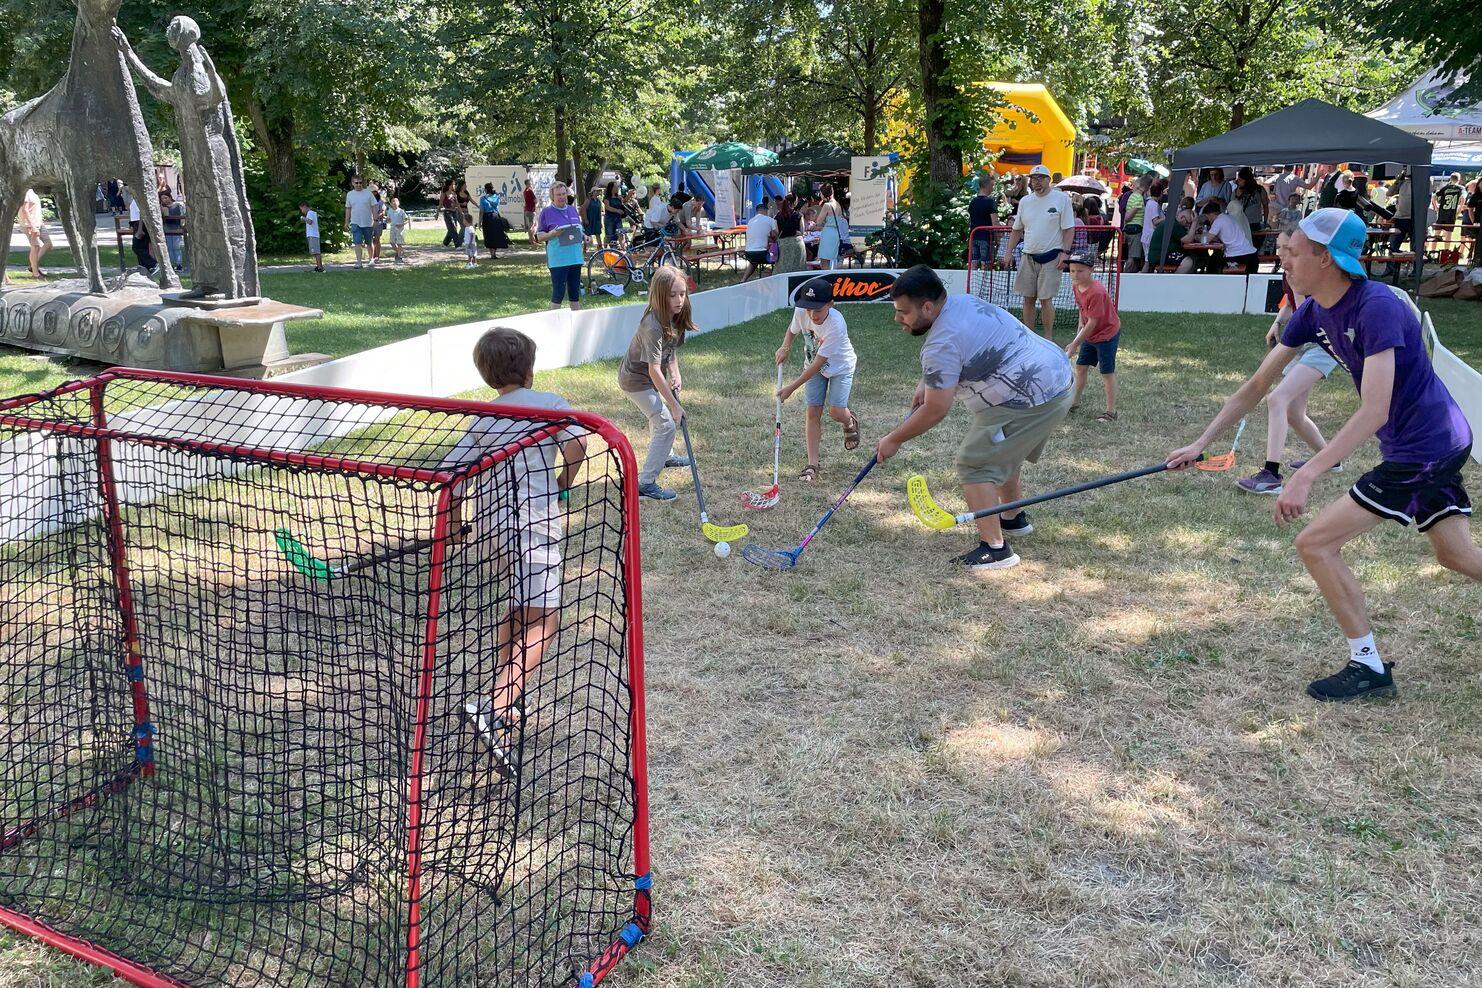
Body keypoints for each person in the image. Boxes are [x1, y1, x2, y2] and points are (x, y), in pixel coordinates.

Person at [1168, 208, 1479, 701]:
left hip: (1425, 447)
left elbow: (1375, 409)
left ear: (1326, 258)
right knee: (1455, 554)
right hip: (1428, 443)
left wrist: (1307, 473)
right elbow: (1257, 385)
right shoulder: (1313, 311)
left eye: (1294, 252)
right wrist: (1201, 444)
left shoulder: (1376, 307)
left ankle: (1368, 667)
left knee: (1315, 544)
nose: (1284, 260)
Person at [449, 326, 587, 779]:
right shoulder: (549, 404)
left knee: (516, 608)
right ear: (529, 369)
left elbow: (452, 478)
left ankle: (505, 709)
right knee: (545, 619)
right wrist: (564, 480)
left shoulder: (481, 417)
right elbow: (578, 442)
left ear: (488, 376)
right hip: (533, 528)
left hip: (492, 531)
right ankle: (496, 704)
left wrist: (452, 526)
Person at [876, 265, 1074, 570]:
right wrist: (928, 380)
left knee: (976, 463)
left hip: (1032, 396)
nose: (897, 318)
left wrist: (894, 439)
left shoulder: (941, 343)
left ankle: (996, 549)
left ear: (927, 307)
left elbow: (936, 409)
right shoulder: (962, 302)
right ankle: (1012, 518)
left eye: (903, 312)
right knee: (1004, 449)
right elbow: (962, 349)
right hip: (1057, 374)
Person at [1235, 228, 1342, 494]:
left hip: (1320, 344)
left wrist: (1288, 347)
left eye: (1288, 249)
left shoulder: (1303, 275)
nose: (1282, 253)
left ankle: (1271, 475)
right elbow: (1291, 304)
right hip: (1304, 343)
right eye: (1281, 248)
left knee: (1277, 399)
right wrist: (1276, 323)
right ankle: (1330, 459)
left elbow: (1306, 311)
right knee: (1294, 413)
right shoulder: (1290, 274)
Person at [617, 265, 694, 501]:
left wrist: (675, 373)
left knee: (660, 420)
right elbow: (653, 369)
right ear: (660, 296)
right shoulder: (652, 325)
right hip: (635, 379)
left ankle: (666, 456)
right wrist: (674, 406)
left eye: (682, 294)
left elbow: (670, 351)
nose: (679, 300)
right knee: (666, 424)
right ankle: (645, 484)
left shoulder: (677, 314)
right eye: (672, 295)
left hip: (650, 376)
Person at [774, 278, 859, 481]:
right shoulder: (802, 311)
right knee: (812, 412)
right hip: (813, 366)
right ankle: (812, 464)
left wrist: (791, 388)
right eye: (809, 310)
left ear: (830, 304)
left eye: (818, 310)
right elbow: (792, 329)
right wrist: (785, 347)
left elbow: (817, 365)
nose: (812, 315)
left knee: (836, 412)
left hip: (840, 367)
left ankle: (849, 421)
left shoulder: (836, 325)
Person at [1004, 164, 1075, 341]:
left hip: (1052, 256)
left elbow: (1069, 229)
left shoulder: (1061, 199)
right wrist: (1008, 252)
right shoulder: (1025, 201)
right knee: (1028, 298)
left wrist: (1065, 253)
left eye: (1041, 178)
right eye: (1033, 178)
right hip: (1028, 255)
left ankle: (1048, 338)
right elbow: (1017, 229)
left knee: (1045, 299)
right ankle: (1030, 338)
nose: (1037, 182)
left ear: (1048, 180)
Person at [1064, 253, 1121, 422]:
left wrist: (1074, 344)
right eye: (1072, 271)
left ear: (1091, 270)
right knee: (1081, 367)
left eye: (1080, 271)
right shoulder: (1076, 285)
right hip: (1091, 335)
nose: (1075, 275)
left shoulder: (1096, 292)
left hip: (1106, 335)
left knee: (1107, 372)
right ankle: (1074, 402)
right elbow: (1082, 310)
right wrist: (1080, 325)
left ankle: (1110, 412)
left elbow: (1092, 323)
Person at [534, 181, 586, 310]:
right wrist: (552, 234)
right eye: (558, 195)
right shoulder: (546, 212)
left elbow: (579, 231)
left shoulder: (572, 210)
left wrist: (585, 237)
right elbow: (539, 237)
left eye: (564, 194)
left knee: (575, 294)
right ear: (552, 196)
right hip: (559, 260)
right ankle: (552, 320)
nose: (562, 197)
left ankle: (576, 320)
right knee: (558, 294)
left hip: (575, 258)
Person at [1198, 200, 1258, 274]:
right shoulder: (1229, 218)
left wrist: (1196, 236)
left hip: (1237, 256)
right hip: (1251, 255)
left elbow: (1205, 240)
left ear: (1211, 214)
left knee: (1213, 262)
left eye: (1207, 217)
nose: (1208, 220)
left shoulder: (1218, 221)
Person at [811, 183, 847, 270]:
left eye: (820, 192)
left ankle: (827, 277)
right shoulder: (837, 204)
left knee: (824, 262)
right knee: (832, 260)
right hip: (835, 233)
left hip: (828, 234)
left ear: (824, 193)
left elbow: (818, 222)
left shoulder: (827, 205)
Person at [18, 188, 52, 279]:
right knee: (36, 247)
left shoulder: (34, 191)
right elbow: (24, 209)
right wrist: (32, 226)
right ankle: (35, 273)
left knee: (48, 244)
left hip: (39, 223)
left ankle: (33, 265)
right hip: (29, 224)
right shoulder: (25, 192)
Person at [344, 175, 376, 269]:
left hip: (367, 222)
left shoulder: (368, 193)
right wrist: (346, 221)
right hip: (355, 222)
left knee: (369, 242)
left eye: (360, 183)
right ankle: (359, 262)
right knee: (357, 242)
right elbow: (348, 208)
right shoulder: (350, 194)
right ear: (352, 183)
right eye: (356, 183)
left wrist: (375, 219)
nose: (359, 184)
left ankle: (371, 259)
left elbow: (374, 206)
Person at [968, 175, 999, 272]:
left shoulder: (973, 202)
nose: (993, 188)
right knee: (985, 264)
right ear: (988, 186)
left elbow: (970, 220)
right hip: (986, 238)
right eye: (992, 186)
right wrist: (998, 237)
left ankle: (973, 281)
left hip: (973, 236)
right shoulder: (990, 202)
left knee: (973, 263)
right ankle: (984, 281)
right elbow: (995, 222)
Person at [741, 199, 776, 282]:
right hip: (762, 254)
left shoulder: (750, 221)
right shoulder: (771, 220)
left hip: (748, 253)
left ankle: (743, 280)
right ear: (766, 211)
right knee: (778, 257)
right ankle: (774, 278)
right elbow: (776, 235)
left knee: (754, 262)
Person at [1120, 175, 1149, 272]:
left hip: (1128, 229)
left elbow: (1126, 215)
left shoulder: (1131, 196)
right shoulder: (1139, 198)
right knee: (1132, 256)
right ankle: (1126, 274)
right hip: (1136, 230)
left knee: (1131, 255)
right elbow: (1128, 216)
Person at [774, 194, 806, 274]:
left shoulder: (778, 216)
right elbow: (802, 232)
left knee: (783, 268)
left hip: (783, 244)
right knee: (798, 268)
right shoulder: (799, 215)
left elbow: (776, 232)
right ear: (794, 202)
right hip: (797, 243)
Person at [479, 183, 508, 259]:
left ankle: (491, 253)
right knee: (495, 235)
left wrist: (479, 222)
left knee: (488, 235)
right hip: (495, 216)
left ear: (485, 189)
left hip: (487, 217)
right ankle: (494, 253)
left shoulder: (483, 198)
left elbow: (481, 211)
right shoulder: (497, 197)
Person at [160, 189, 186, 272]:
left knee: (176, 247)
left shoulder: (177, 205)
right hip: (167, 229)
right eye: (162, 199)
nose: (164, 200)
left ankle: (179, 264)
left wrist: (182, 226)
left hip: (176, 228)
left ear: (170, 197)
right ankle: (171, 264)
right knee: (169, 248)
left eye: (165, 198)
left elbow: (182, 216)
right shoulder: (162, 208)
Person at [1434, 172, 1465, 239]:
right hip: (1451, 214)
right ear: (1459, 179)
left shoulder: (1445, 188)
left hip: (1442, 213)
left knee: (1437, 234)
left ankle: (1434, 245)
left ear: (1450, 179)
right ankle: (1446, 246)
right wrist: (1460, 209)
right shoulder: (1461, 188)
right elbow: (1463, 198)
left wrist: (1436, 207)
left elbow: (1434, 196)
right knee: (1448, 234)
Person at [298, 201, 323, 272]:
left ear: (304, 207)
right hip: (312, 235)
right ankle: (319, 266)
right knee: (315, 252)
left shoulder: (310, 213)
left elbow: (310, 222)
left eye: (301, 209)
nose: (302, 211)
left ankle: (320, 267)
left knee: (316, 252)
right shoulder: (311, 213)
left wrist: (303, 218)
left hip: (313, 235)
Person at [386, 196, 410, 264]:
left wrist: (401, 224)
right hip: (393, 228)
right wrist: (387, 220)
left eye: (396, 201)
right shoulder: (389, 211)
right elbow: (388, 219)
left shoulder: (401, 211)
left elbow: (407, 220)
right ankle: (399, 252)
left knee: (399, 243)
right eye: (393, 201)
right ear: (391, 203)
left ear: (399, 203)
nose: (394, 203)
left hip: (400, 229)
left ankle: (399, 257)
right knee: (392, 242)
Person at [602, 180, 626, 246]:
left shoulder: (618, 197)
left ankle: (623, 248)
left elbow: (624, 201)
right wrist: (617, 210)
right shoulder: (607, 198)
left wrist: (629, 194)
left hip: (618, 219)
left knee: (620, 234)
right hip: (609, 219)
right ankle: (605, 247)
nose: (617, 188)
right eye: (615, 187)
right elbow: (607, 207)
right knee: (609, 236)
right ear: (611, 188)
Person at [439, 180, 461, 248]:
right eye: (453, 184)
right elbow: (440, 204)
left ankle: (445, 244)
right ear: (449, 185)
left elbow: (457, 203)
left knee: (452, 229)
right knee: (453, 228)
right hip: (448, 213)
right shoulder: (444, 194)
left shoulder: (454, 194)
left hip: (454, 212)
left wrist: (461, 212)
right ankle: (458, 245)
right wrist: (437, 213)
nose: (454, 186)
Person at [369, 185, 386, 264]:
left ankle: (377, 256)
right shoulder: (367, 201)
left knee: (377, 240)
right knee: (370, 240)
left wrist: (376, 216)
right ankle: (371, 256)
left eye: (373, 192)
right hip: (369, 222)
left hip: (378, 222)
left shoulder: (380, 201)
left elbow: (383, 212)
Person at [522, 178, 538, 245]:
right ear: (528, 184)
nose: (531, 184)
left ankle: (531, 240)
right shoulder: (530, 191)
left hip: (527, 210)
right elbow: (535, 200)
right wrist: (537, 203)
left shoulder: (525, 191)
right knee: (532, 226)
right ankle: (532, 241)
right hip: (531, 210)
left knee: (530, 226)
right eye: (530, 183)